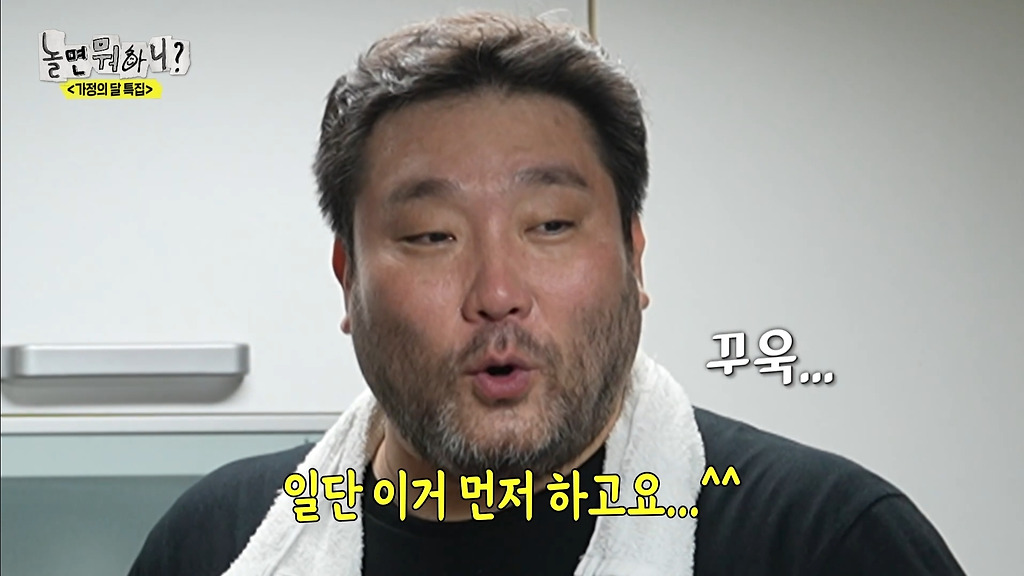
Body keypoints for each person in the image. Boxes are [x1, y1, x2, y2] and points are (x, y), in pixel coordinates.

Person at [129, 11, 966, 576]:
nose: (498, 293)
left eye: (552, 225)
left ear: (635, 258)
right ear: (348, 280)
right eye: (432, 236)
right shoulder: (216, 542)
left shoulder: (824, 541)